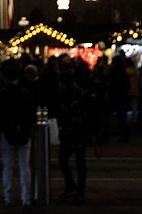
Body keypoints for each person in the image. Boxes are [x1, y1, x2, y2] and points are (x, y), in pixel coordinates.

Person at [0, 63, 35, 208]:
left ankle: (8, 197)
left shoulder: (2, 94)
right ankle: (26, 198)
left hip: (8, 132)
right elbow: (31, 113)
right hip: (24, 131)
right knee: (25, 166)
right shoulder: (26, 93)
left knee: (8, 166)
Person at [55, 71, 96, 201]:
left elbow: (65, 113)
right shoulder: (82, 93)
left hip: (72, 132)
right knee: (80, 161)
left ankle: (71, 186)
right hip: (81, 132)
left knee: (64, 159)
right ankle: (79, 190)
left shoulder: (67, 96)